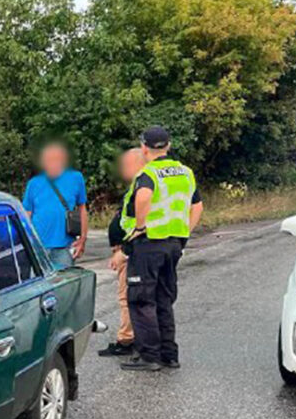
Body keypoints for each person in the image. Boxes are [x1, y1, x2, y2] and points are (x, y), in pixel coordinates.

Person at [119, 126, 203, 372]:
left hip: (149, 243)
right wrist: (184, 231)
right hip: (174, 243)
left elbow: (143, 197)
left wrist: (139, 227)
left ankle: (150, 356)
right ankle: (169, 354)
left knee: (142, 299)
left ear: (144, 147)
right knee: (164, 298)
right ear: (168, 145)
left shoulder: (150, 173)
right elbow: (197, 206)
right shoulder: (185, 172)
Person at [98, 148, 145, 357]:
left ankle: (127, 340)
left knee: (127, 297)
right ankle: (132, 337)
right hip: (126, 248)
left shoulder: (144, 186)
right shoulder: (137, 185)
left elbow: (139, 224)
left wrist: (123, 251)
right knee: (126, 295)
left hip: (131, 249)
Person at [22, 142, 88, 268]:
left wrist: (83, 240)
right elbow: (27, 215)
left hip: (65, 246)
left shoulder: (76, 178)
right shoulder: (34, 183)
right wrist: (27, 244)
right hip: (38, 247)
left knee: (64, 285)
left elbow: (82, 210)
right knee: (40, 287)